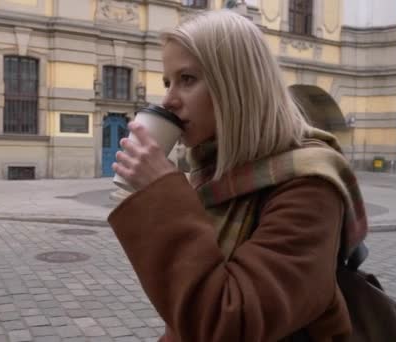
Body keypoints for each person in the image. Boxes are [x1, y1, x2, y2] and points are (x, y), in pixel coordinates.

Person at [108, 9, 368, 342]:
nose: (168, 99)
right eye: (167, 82)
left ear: (236, 86)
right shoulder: (217, 170)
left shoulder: (309, 186)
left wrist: (161, 194)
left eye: (187, 79)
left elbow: (229, 322)